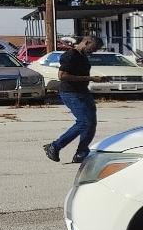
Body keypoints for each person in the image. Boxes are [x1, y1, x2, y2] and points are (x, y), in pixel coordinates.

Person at [43, 35, 102, 164]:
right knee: (84, 122)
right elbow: (62, 76)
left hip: (83, 92)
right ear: (86, 42)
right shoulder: (70, 55)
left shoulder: (82, 56)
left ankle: (81, 153)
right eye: (94, 48)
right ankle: (54, 146)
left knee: (91, 123)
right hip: (70, 93)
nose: (94, 51)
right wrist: (90, 79)